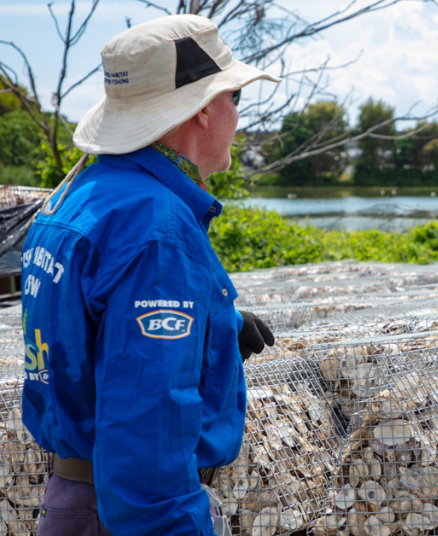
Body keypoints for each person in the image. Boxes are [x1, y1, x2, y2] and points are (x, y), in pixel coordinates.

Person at [21, 15, 279, 535]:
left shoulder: (80, 198)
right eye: (235, 99)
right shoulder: (155, 230)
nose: (237, 115)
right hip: (130, 515)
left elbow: (90, 339)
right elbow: (148, 438)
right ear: (203, 110)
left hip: (73, 498)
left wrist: (215, 327)